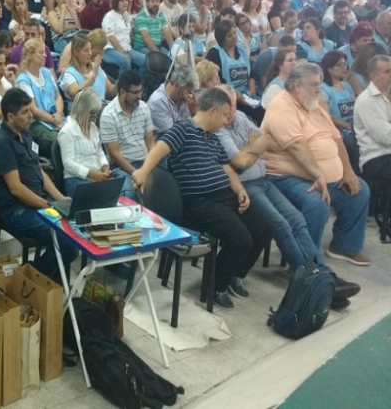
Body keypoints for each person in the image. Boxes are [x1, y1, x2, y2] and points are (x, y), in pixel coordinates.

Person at [215, 86, 360, 308]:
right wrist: (255, 147)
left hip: (263, 182)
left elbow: (268, 141)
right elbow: (239, 162)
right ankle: (317, 283)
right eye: (227, 108)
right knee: (281, 225)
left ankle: (324, 276)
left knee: (297, 221)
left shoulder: (242, 116)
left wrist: (251, 148)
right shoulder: (218, 130)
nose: (231, 113)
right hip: (244, 186)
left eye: (234, 106)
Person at [132, 88, 273, 309]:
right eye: (225, 114)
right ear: (214, 111)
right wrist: (142, 172)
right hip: (200, 203)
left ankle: (234, 272)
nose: (227, 120)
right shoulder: (184, 129)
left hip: (225, 196)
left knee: (266, 227)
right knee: (241, 239)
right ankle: (214, 286)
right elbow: (159, 149)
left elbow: (227, 170)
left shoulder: (214, 138)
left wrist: (240, 191)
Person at [261, 62, 370, 266]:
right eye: (313, 84)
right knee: (316, 204)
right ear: (297, 86)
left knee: (360, 190)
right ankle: (306, 264)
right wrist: (319, 176)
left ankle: (344, 247)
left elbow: (336, 138)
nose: (319, 89)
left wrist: (348, 170)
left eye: (319, 84)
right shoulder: (281, 107)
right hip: (287, 176)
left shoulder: (313, 104)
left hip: (321, 175)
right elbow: (298, 149)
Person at [0, 88, 78, 280]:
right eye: (25, 112)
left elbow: (39, 171)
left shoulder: (26, 135)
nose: (31, 115)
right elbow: (16, 189)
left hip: (36, 204)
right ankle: (22, 277)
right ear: (10, 116)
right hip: (16, 211)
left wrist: (60, 199)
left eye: (30, 110)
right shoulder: (2, 143)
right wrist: (48, 206)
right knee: (68, 243)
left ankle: (48, 284)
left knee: (72, 235)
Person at [100, 69, 154, 196]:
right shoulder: (108, 115)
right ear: (122, 92)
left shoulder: (144, 107)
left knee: (164, 184)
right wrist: (136, 173)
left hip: (145, 162)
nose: (139, 96)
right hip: (122, 167)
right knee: (128, 194)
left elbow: (150, 142)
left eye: (140, 91)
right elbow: (114, 154)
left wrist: (147, 168)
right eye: (135, 93)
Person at [58, 88, 113, 196]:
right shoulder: (67, 131)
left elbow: (99, 152)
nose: (94, 118)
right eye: (92, 113)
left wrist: (105, 167)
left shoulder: (93, 128)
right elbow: (69, 164)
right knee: (99, 195)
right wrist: (91, 174)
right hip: (76, 179)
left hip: (96, 175)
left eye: (96, 114)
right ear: (82, 110)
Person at [16, 38, 63, 157]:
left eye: (45, 52)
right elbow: (33, 110)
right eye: (40, 52)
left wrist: (59, 113)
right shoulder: (23, 80)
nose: (45, 56)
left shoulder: (46, 72)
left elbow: (58, 96)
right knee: (60, 140)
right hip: (36, 123)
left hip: (55, 117)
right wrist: (54, 120)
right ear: (31, 55)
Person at [354, 54, 391, 199]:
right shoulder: (367, 101)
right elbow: (386, 137)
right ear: (374, 76)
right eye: (387, 72)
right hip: (376, 159)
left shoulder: (387, 96)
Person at [147, 64, 198, 137]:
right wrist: (194, 113)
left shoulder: (185, 98)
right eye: (187, 92)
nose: (189, 96)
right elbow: (173, 137)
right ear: (176, 85)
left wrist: (194, 112)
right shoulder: (157, 101)